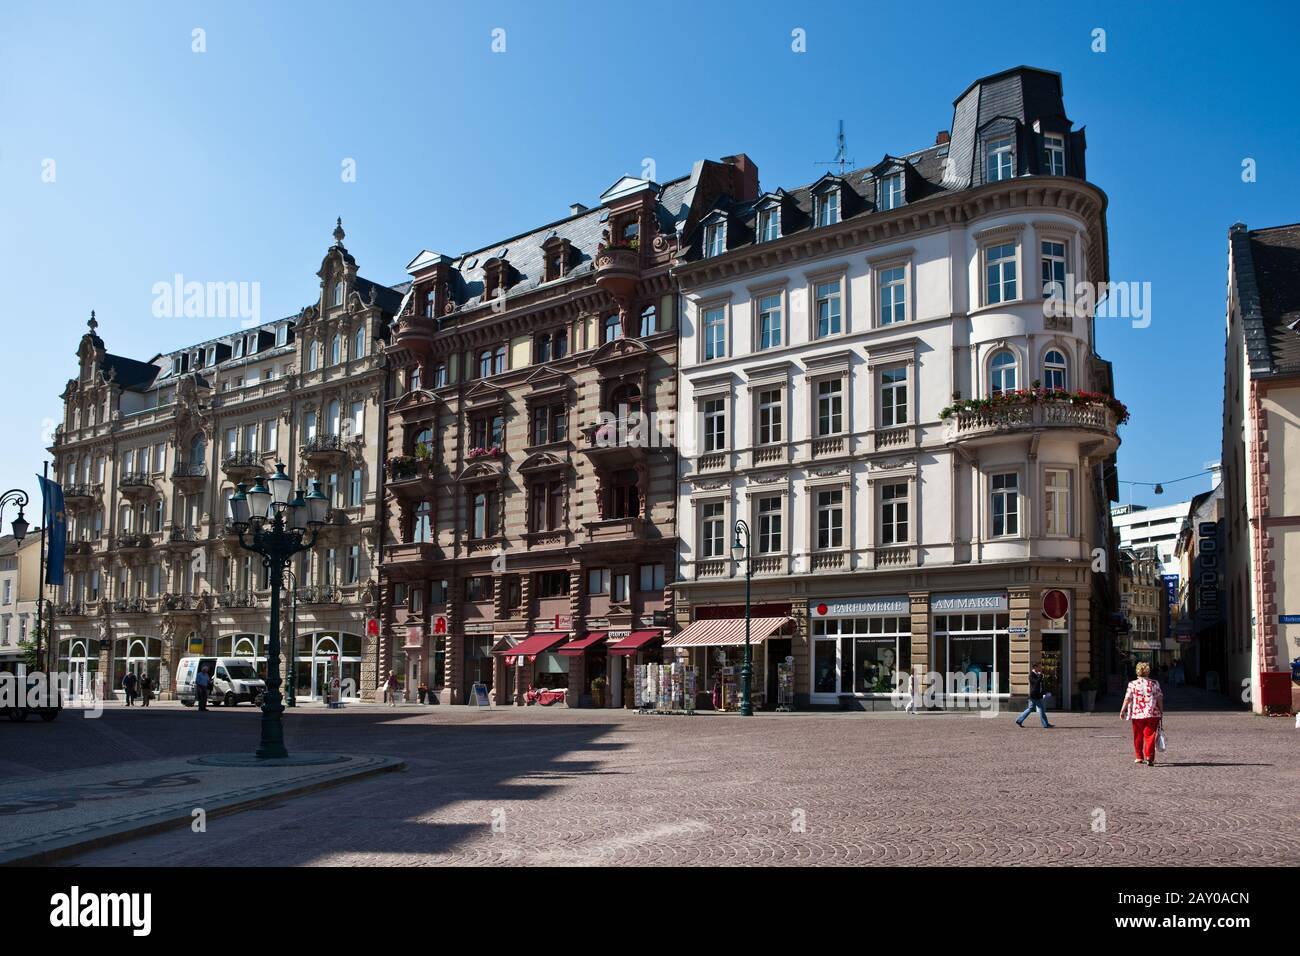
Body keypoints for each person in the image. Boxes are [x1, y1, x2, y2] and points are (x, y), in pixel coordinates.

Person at [1120, 660, 1164, 766]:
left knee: (1138, 736)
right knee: (1150, 736)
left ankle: (1139, 757)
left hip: (1137, 714)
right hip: (1152, 713)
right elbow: (1159, 698)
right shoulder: (1154, 683)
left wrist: (1123, 710)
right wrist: (1161, 711)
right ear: (1148, 672)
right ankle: (1149, 757)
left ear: (1137, 671)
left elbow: (1127, 698)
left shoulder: (1132, 684)